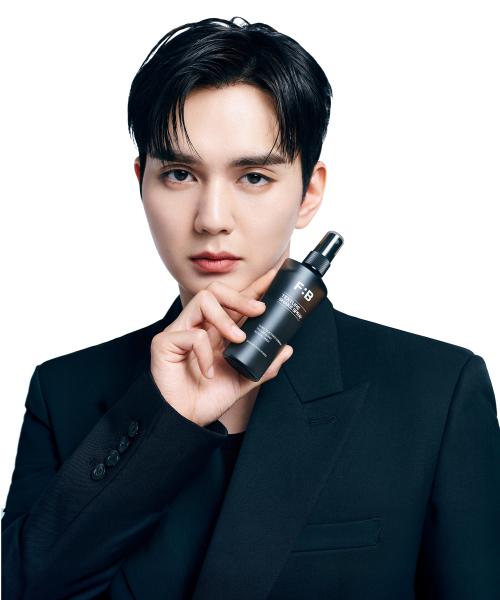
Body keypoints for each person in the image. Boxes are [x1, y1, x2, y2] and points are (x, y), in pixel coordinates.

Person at [2, 16, 499, 600]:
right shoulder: (64, 392)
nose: (212, 218)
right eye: (179, 174)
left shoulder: (436, 393)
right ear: (141, 183)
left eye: (255, 177)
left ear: (309, 192)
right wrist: (161, 420)